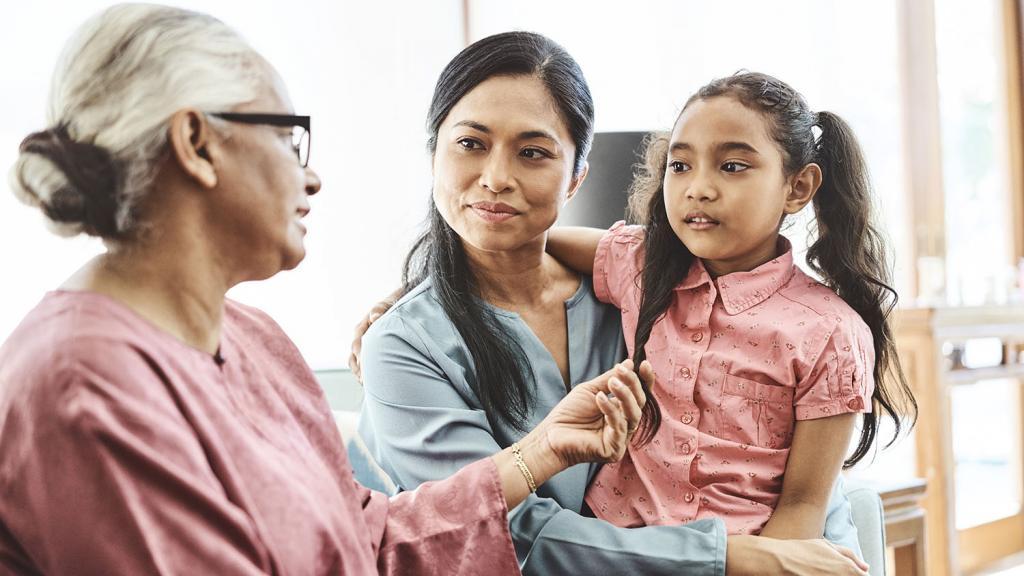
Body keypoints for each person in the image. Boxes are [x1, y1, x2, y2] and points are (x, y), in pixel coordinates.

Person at [0, 5, 649, 575]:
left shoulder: (255, 340)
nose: (311, 178)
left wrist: (537, 454)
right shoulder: (81, 383)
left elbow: (361, 535)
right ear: (197, 143)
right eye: (288, 137)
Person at [355, 32, 871, 575]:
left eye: (533, 152)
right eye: (470, 144)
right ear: (432, 154)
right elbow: (489, 533)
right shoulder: (405, 344)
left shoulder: (640, 291)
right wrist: (727, 558)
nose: (497, 179)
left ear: (577, 174)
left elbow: (799, 488)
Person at [546, 72, 918, 538]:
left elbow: (803, 505)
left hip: (745, 556)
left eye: (733, 166)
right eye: (680, 166)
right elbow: (536, 241)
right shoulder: (639, 264)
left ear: (798, 188)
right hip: (616, 547)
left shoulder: (832, 334)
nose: (698, 187)